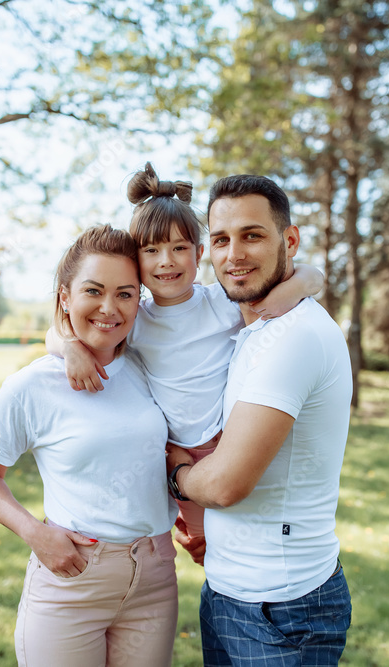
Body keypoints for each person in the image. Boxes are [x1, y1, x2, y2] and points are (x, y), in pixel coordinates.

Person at [49, 163, 323, 542]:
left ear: (199, 253)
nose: (167, 261)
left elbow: (311, 276)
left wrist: (291, 292)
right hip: (174, 452)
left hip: (229, 441)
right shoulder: (135, 320)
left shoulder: (221, 303)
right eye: (152, 250)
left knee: (238, 531)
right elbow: (57, 330)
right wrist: (70, 348)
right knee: (200, 542)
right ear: (136, 261)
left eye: (180, 248)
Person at [0, 224, 179, 667]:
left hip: (155, 580)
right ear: (65, 296)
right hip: (73, 578)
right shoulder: (30, 386)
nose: (109, 308)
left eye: (125, 294)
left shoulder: (150, 365)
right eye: (93, 291)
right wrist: (34, 532)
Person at [165, 174, 354, 665]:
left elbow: (227, 483)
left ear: (288, 240)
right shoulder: (247, 324)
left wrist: (175, 474)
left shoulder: (293, 336)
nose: (235, 255)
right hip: (230, 591)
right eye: (223, 240)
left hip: (282, 607)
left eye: (253, 235)